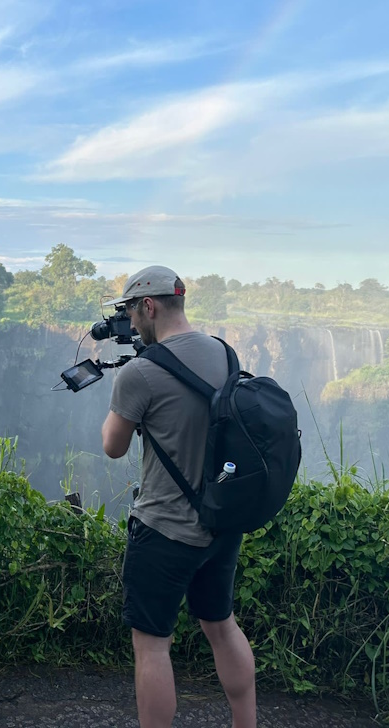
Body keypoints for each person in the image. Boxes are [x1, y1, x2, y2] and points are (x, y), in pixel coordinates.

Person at [101, 265, 256, 728]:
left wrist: (125, 396)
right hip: (220, 526)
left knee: (152, 647)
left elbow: (113, 446)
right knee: (222, 626)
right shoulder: (226, 355)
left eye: (131, 311)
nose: (129, 323)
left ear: (148, 306)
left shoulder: (140, 373)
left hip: (165, 530)